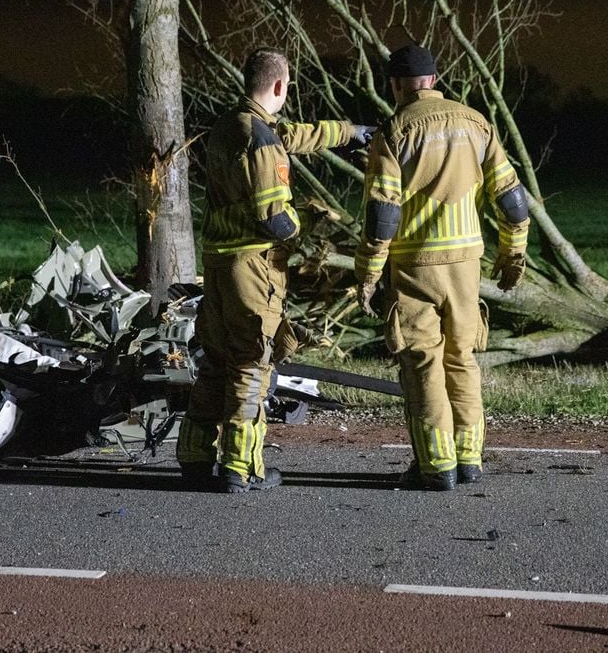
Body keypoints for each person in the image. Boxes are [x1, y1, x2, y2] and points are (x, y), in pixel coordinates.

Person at [177, 47, 375, 493]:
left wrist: (348, 133)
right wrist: (304, 232)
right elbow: (275, 217)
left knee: (216, 361)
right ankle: (241, 467)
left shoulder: (229, 126)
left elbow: (289, 134)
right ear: (281, 86)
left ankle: (194, 456)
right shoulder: (262, 139)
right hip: (253, 269)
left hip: (219, 264)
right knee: (252, 362)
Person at [354, 44, 530, 491]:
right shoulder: (476, 123)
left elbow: (383, 215)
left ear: (394, 85)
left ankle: (436, 466)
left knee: (423, 363)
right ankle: (469, 459)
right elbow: (512, 200)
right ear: (434, 80)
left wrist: (368, 275)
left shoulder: (395, 131)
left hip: (415, 266)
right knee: (462, 358)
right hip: (466, 265)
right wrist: (513, 255)